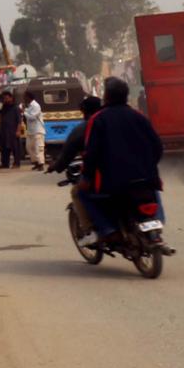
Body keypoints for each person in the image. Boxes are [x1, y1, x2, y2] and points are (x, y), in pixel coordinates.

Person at [77, 77, 166, 247]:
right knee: (153, 190)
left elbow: (91, 153)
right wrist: (149, 166)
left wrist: (87, 177)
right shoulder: (139, 116)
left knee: (82, 194)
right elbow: (157, 146)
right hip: (144, 177)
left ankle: (108, 230)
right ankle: (158, 223)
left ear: (107, 96)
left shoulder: (98, 120)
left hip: (112, 181)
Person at [0, 91, 24, 169]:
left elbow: (19, 120)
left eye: (6, 98)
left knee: (15, 148)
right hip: (4, 131)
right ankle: (5, 163)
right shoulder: (4, 107)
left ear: (11, 98)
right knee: (4, 148)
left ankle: (16, 163)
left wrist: (18, 131)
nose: (5, 100)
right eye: (4, 98)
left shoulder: (15, 108)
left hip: (13, 131)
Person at [23, 89, 46, 171]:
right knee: (29, 147)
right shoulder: (29, 106)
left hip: (37, 131)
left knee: (38, 148)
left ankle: (41, 164)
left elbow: (32, 117)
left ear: (29, 97)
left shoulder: (36, 106)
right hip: (30, 131)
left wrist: (24, 112)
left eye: (25, 97)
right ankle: (35, 162)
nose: (24, 98)